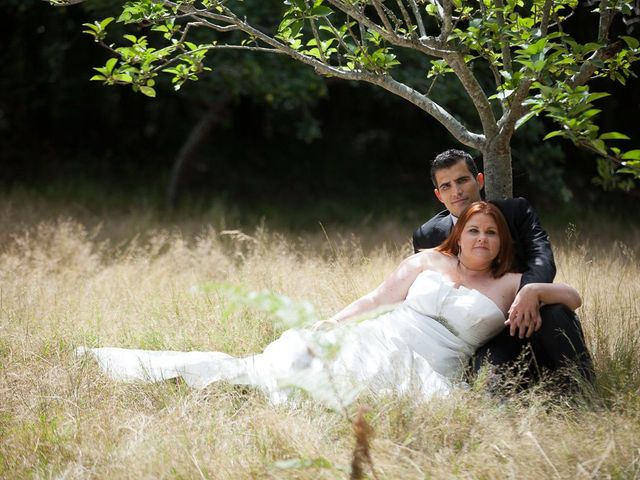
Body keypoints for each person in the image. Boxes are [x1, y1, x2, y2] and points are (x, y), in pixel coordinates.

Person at [79, 203, 582, 409]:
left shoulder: (510, 282)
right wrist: (331, 322)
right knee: (293, 364)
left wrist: (536, 291)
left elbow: (574, 297)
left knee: (357, 393)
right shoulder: (429, 261)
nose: (481, 238)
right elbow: (378, 299)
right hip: (384, 332)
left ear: (501, 242)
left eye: (491, 232)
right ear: (458, 233)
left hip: (434, 362)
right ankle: (196, 379)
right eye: (473, 230)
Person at [413, 149, 594, 388]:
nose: (456, 191)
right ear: (439, 195)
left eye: (462, 180)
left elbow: (542, 258)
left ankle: (584, 392)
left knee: (558, 312)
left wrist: (528, 292)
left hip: (533, 317)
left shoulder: (515, 212)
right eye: (446, 186)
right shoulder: (427, 236)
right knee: (487, 377)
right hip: (483, 334)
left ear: (479, 180)